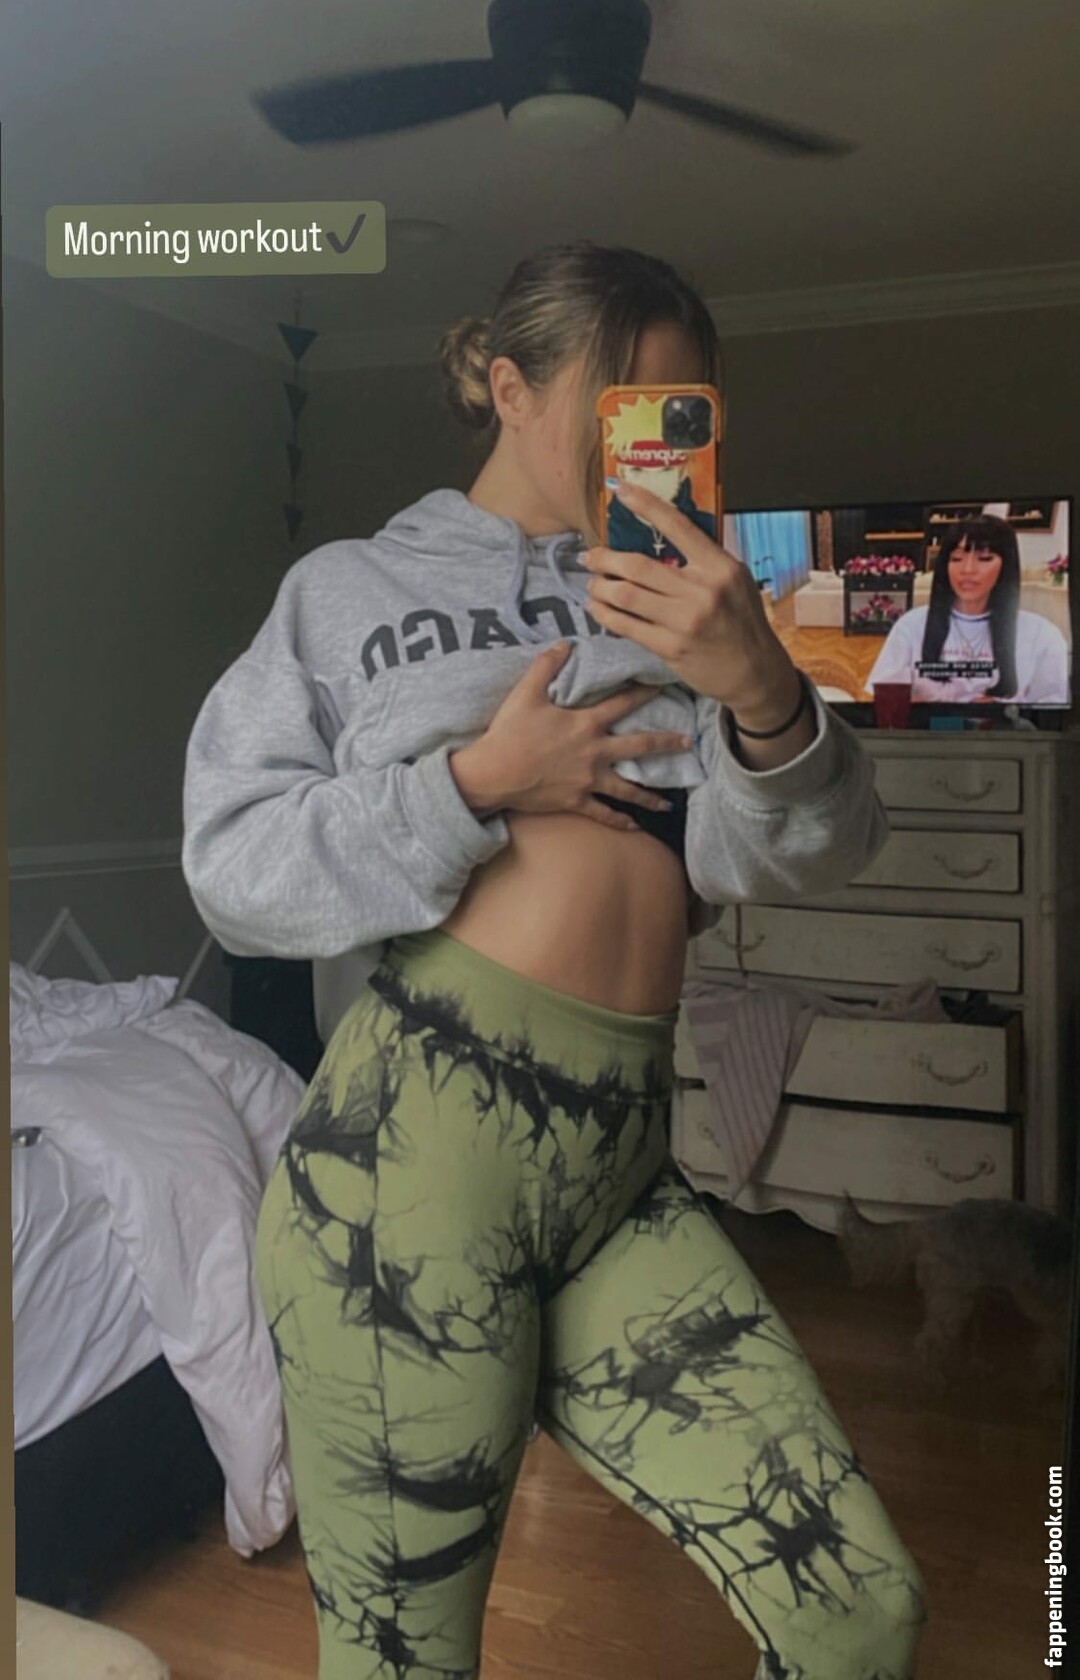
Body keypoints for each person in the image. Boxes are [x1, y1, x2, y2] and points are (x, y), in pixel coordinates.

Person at [182, 242, 927, 1680]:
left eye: (682, 415)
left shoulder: (686, 605)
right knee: (406, 1662)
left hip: (619, 1170)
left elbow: (808, 851)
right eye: (624, 405)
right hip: (405, 1177)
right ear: (510, 387)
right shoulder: (348, 589)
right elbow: (230, 867)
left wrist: (763, 688)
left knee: (860, 1607)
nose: (653, 445)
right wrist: (474, 781)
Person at [865, 512, 1070, 704]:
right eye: (956, 559)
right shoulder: (911, 627)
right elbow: (883, 701)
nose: (968, 569)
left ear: (1006, 565)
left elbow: (1051, 714)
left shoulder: (1042, 635)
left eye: (984, 558)